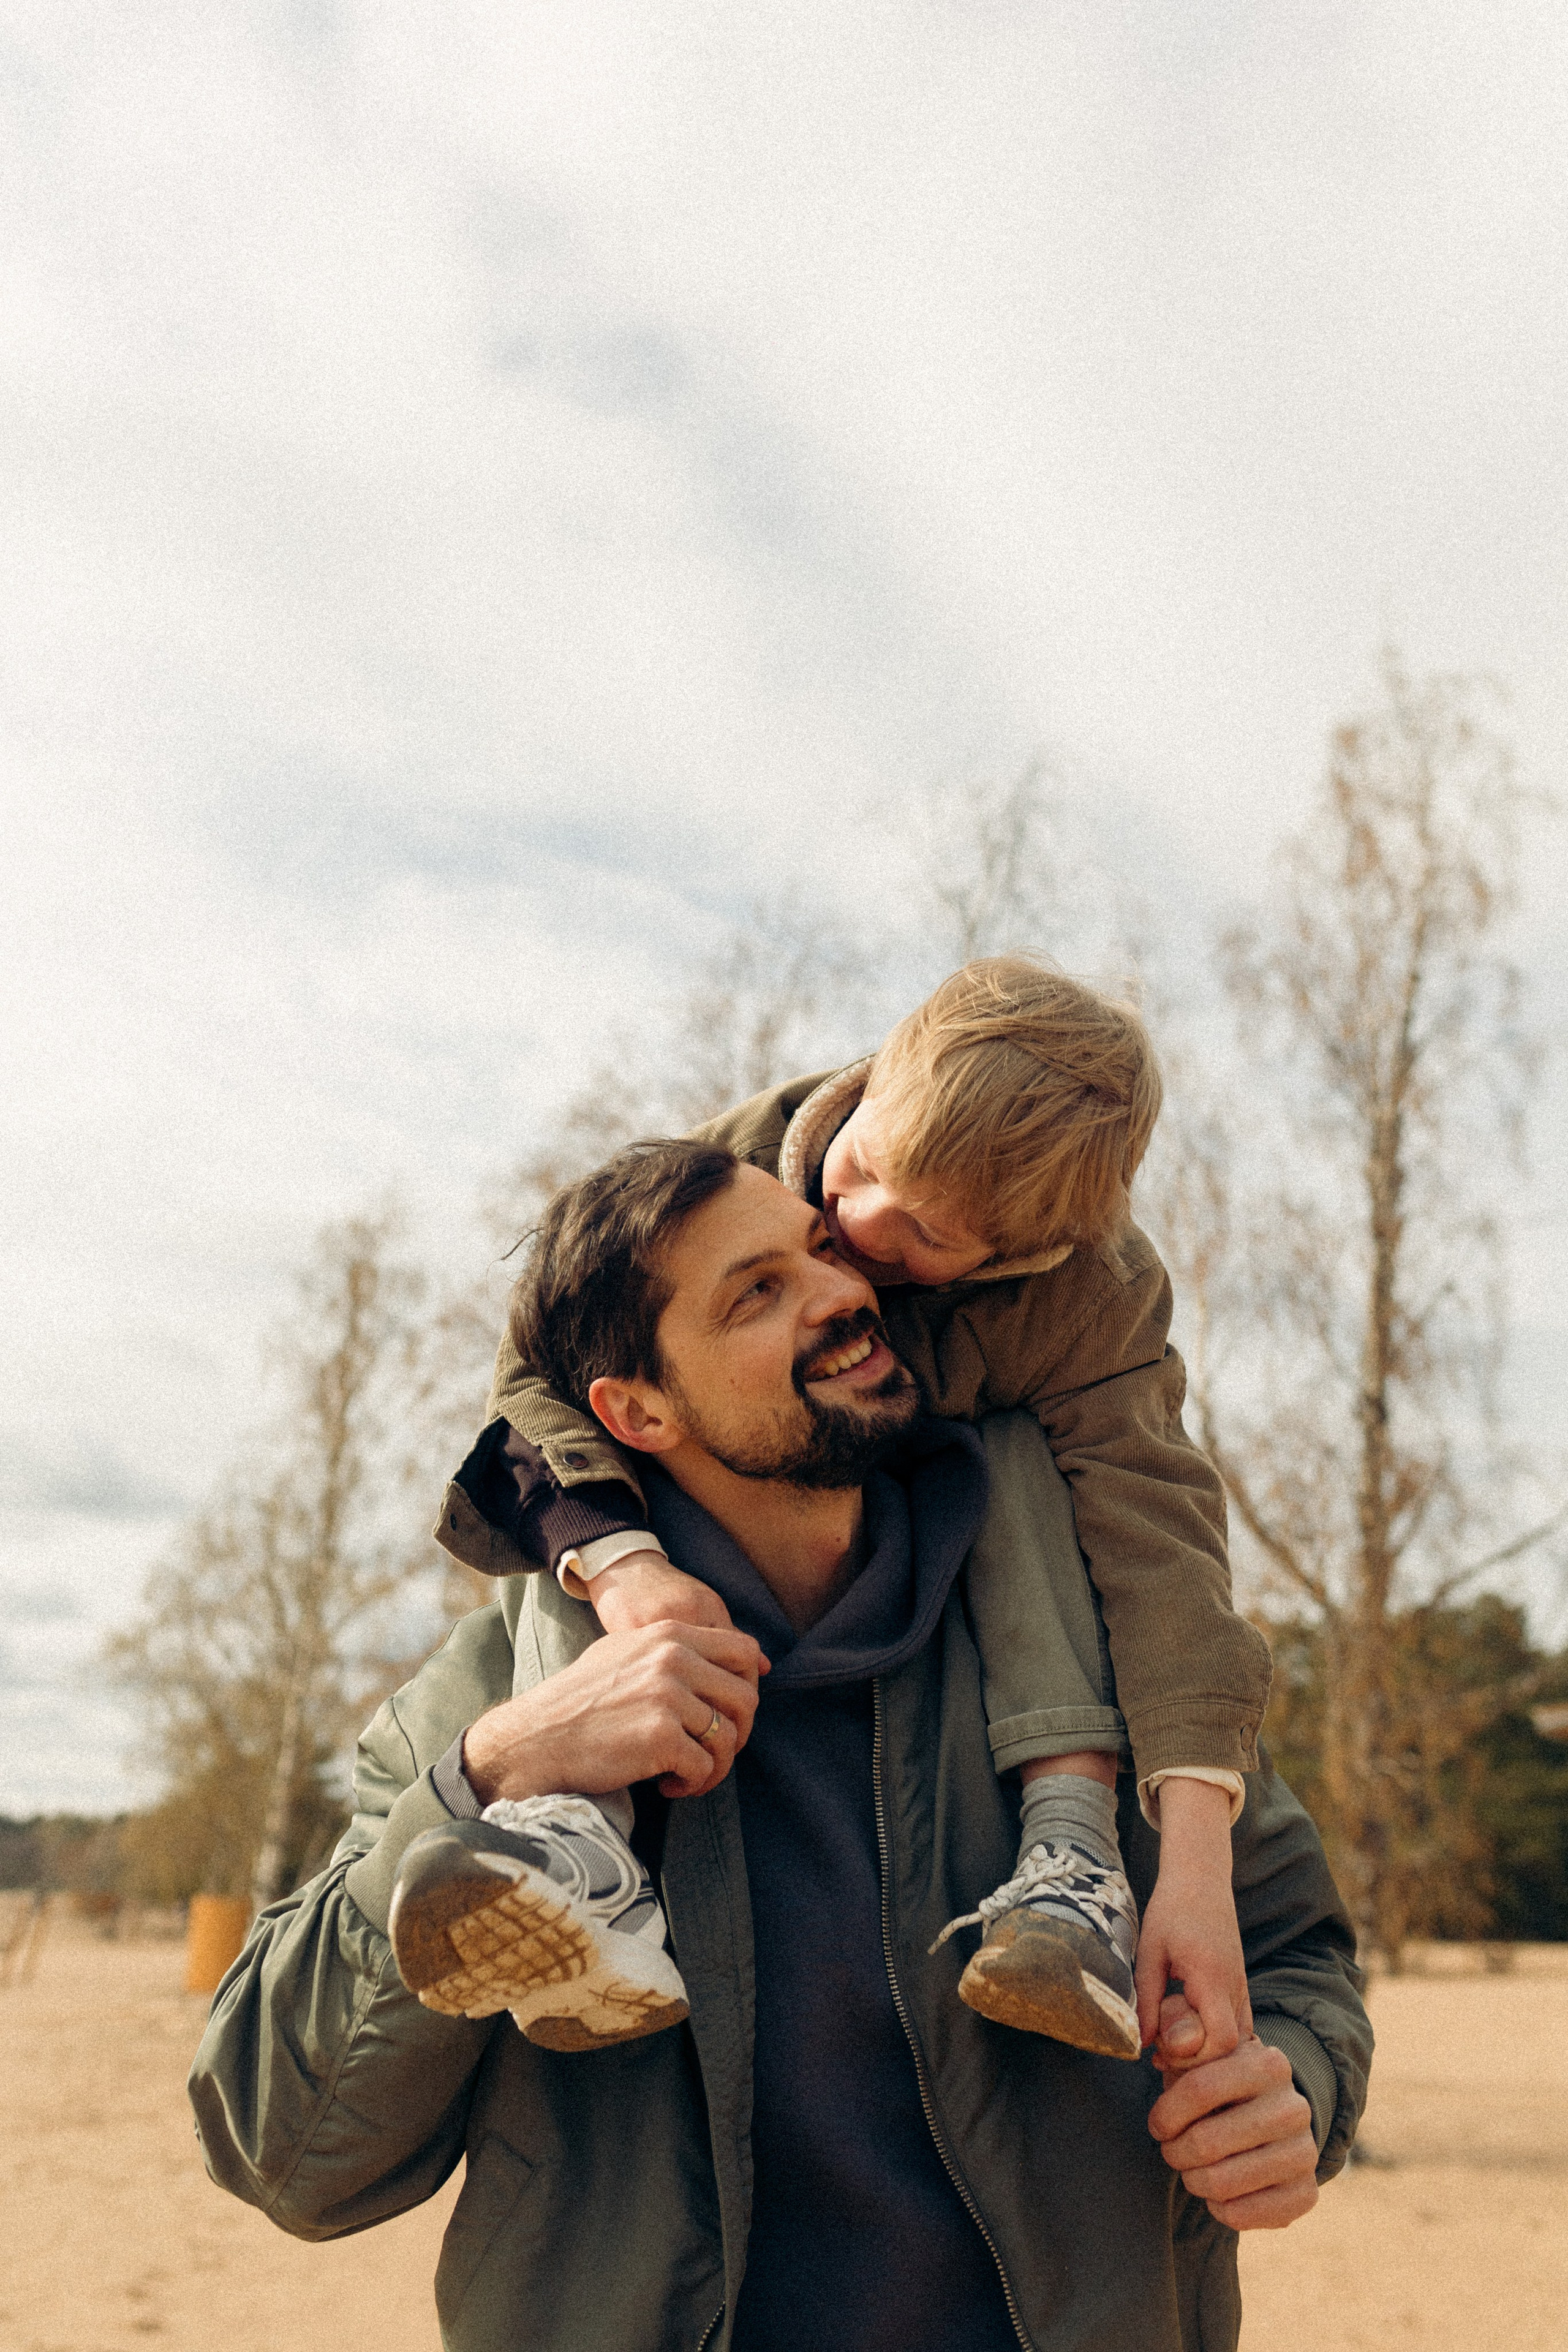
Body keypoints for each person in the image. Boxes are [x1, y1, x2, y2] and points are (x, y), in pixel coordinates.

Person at [190, 1139, 1371, 2352]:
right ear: (635, 1412)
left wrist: (1293, 2085)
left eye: (819, 1251)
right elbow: (289, 2154)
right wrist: (493, 1774)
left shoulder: (1102, 1637)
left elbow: (1291, 1951)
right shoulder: (495, 1699)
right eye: (755, 1293)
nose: (843, 1292)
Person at [434, 955, 1274, 2062]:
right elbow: (536, 1375)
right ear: (874, 1076)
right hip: (707, 1540)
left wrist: (1198, 1870)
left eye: (929, 1237)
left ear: (1023, 1254)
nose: (863, 1229)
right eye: (866, 1166)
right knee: (589, 1462)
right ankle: (579, 1835)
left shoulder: (1089, 1296)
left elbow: (1160, 1535)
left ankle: (1073, 1861)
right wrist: (629, 1570)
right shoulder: (736, 1173)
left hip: (966, 1549)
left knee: (1027, 1449)